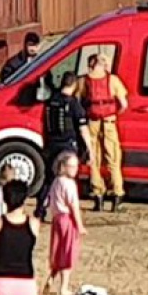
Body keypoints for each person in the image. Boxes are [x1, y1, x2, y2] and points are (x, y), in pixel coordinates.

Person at [75, 53, 129, 212]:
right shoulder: (112, 80)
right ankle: (117, 195)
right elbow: (124, 103)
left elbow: (78, 100)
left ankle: (98, 195)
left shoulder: (84, 80)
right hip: (109, 121)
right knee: (113, 158)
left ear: (90, 64)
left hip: (92, 121)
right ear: (103, 64)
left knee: (94, 158)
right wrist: (114, 113)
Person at [37, 72, 92, 220]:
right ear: (74, 85)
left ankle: (40, 209)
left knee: (48, 179)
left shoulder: (50, 101)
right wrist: (90, 150)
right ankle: (67, 212)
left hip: (51, 145)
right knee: (67, 180)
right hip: (67, 146)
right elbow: (83, 129)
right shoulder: (74, 104)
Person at [44, 151, 85, 295]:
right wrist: (79, 225)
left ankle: (51, 279)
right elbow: (73, 205)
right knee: (68, 252)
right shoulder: (69, 184)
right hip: (67, 219)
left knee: (58, 250)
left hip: (56, 219)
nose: (75, 169)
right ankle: (64, 287)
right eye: (71, 166)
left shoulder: (56, 181)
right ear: (64, 166)